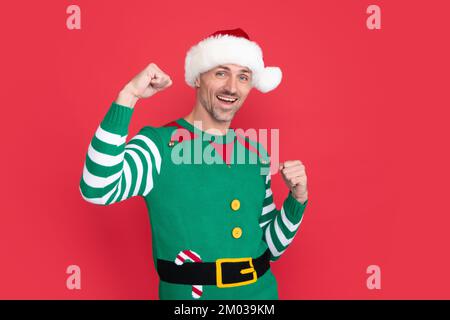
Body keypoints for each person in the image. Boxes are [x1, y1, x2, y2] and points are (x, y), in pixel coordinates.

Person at [79, 28, 309, 300]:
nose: (232, 87)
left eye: (243, 77)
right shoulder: (159, 145)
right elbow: (97, 187)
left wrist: (297, 199)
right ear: (199, 77)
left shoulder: (255, 153)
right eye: (221, 72)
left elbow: (272, 248)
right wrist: (128, 96)